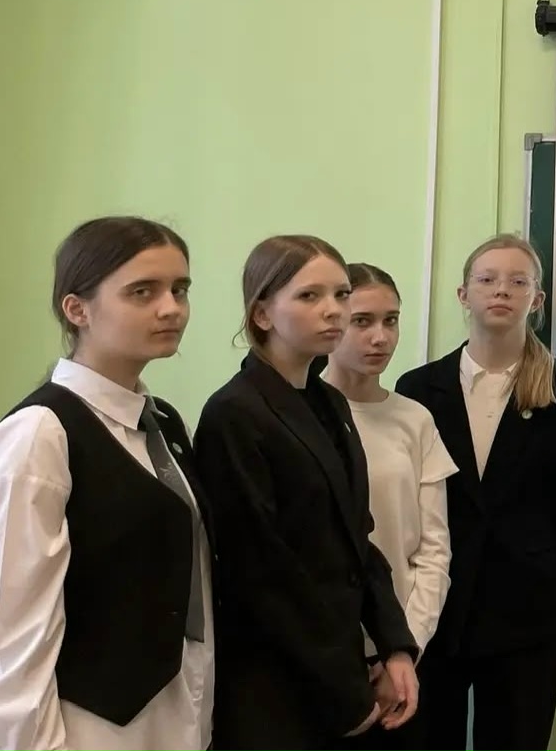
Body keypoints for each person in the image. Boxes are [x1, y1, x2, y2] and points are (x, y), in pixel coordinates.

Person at [193, 234, 420, 751]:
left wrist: (395, 646)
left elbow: (357, 541)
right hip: (275, 680)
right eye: (309, 296)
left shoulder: (328, 404)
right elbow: (260, 574)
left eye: (341, 294)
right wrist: (343, 689)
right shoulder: (235, 413)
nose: (333, 310)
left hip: (340, 664)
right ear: (262, 314)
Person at [0, 216, 213, 751]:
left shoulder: (163, 421)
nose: (171, 308)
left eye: (180, 289)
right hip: (88, 725)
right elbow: (15, 630)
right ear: (78, 309)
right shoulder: (41, 431)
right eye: (143, 292)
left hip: (181, 709)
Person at [395, 234, 556, 751]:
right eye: (487, 280)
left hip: (524, 614)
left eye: (517, 281)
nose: (501, 290)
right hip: (435, 611)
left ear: (538, 299)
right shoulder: (418, 389)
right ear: (463, 295)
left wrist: (547, 591)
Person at [319, 264, 458, 751]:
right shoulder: (298, 416)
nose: (380, 337)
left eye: (391, 320)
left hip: (401, 656)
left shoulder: (414, 419)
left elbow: (434, 550)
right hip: (323, 657)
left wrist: (403, 649)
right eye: (362, 321)